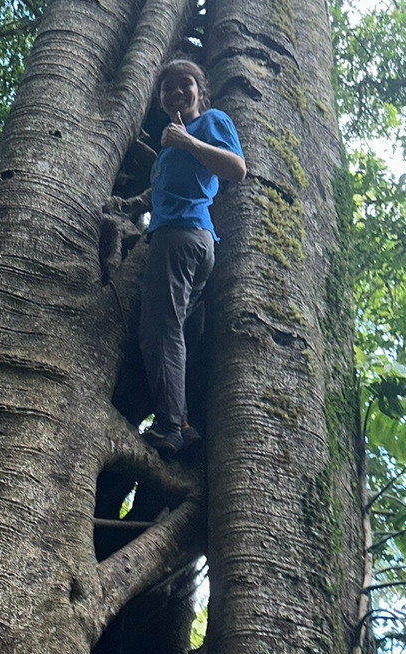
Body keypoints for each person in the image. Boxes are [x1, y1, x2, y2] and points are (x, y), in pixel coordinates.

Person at [140, 59, 246, 458]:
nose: (176, 92)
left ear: (201, 90)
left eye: (185, 84)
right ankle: (183, 422)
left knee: (159, 330)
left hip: (184, 238)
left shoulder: (210, 121)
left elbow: (237, 169)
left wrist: (189, 142)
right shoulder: (166, 149)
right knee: (175, 330)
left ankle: (167, 427)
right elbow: (162, 194)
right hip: (182, 240)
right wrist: (129, 203)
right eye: (168, 87)